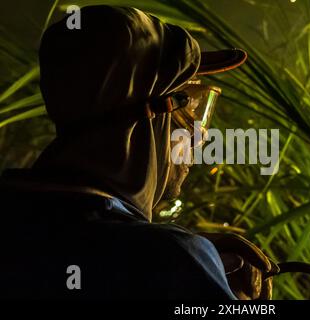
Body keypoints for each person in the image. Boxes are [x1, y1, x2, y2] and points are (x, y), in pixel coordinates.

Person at [0, 5, 276, 300]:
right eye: (189, 109)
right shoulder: (173, 260)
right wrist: (185, 261)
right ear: (149, 116)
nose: (199, 135)